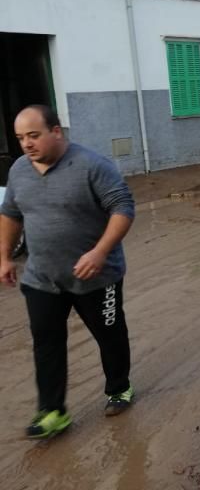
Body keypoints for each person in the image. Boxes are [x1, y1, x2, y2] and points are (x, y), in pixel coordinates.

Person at [0, 105, 136, 439]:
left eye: (34, 135)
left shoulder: (92, 166)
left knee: (110, 335)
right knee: (46, 344)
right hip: (42, 278)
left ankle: (119, 388)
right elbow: (11, 214)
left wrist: (100, 252)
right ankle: (53, 411)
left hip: (96, 277)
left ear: (56, 131)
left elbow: (123, 208)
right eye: (21, 138)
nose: (27, 144)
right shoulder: (19, 170)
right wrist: (4, 257)